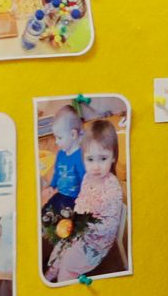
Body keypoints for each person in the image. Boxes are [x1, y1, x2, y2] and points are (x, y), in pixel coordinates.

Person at [49, 118, 125, 283]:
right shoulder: (87, 178)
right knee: (58, 250)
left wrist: (83, 225)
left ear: (113, 157)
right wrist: (74, 216)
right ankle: (52, 272)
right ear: (83, 158)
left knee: (68, 266)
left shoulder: (112, 189)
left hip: (95, 245)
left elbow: (108, 227)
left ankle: (65, 283)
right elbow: (82, 198)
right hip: (80, 231)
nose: (96, 167)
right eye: (90, 160)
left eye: (103, 158)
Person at [40, 105, 84, 222]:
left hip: (75, 199)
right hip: (60, 195)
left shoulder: (80, 157)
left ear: (73, 135)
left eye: (59, 138)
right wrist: (52, 186)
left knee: (64, 220)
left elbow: (85, 180)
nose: (56, 142)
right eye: (55, 137)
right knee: (45, 211)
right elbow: (57, 173)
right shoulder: (60, 154)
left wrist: (83, 201)